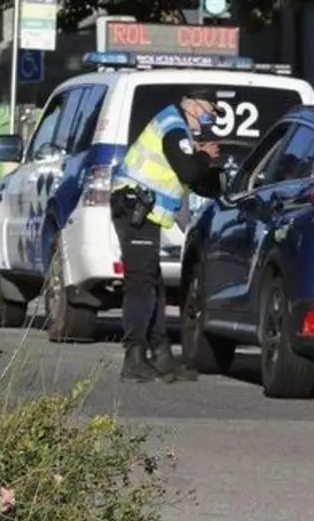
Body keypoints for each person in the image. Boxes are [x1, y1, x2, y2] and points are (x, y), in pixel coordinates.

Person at [110, 92, 222, 382]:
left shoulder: (177, 129)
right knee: (140, 285)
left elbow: (187, 174)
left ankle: (161, 354)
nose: (209, 118)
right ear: (194, 105)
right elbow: (188, 169)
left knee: (153, 285)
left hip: (143, 211)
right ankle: (133, 357)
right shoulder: (173, 126)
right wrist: (203, 156)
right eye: (209, 111)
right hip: (135, 208)